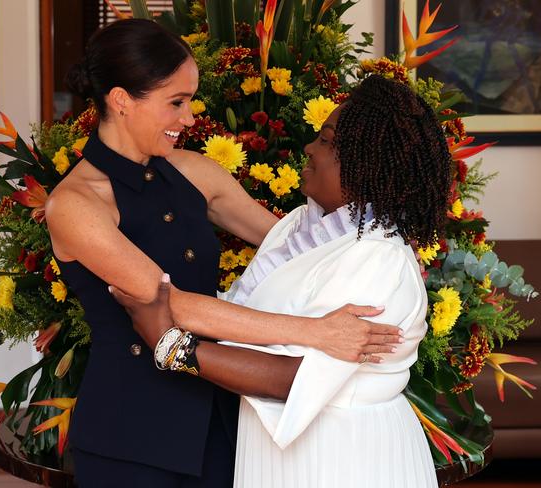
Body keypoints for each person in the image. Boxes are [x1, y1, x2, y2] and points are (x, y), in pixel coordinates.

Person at [46, 19, 402, 487]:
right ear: (121, 100)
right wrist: (318, 333)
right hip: (132, 433)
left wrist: (386, 248)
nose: (189, 118)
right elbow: (171, 304)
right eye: (176, 102)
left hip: (226, 418)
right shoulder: (74, 205)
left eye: (190, 101)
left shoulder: (194, 170)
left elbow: (300, 247)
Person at [111, 74, 452, 487]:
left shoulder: (378, 260)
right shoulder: (299, 226)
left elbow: (292, 378)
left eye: (326, 140)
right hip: (282, 447)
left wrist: (171, 344)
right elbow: (245, 317)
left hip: (344, 457)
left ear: (366, 165)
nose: (309, 147)